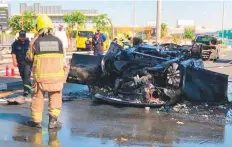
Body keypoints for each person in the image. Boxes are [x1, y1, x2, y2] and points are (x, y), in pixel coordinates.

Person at [26, 15, 66, 129]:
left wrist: (33, 40)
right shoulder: (59, 41)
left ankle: (36, 121)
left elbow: (29, 57)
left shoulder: (36, 42)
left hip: (40, 78)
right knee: (55, 98)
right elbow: (63, 58)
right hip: (57, 77)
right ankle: (53, 121)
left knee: (37, 99)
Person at [11, 30, 32, 97]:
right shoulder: (15, 43)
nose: (22, 38)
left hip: (28, 62)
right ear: (19, 36)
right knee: (23, 76)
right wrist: (14, 61)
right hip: (20, 63)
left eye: (23, 36)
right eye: (21, 36)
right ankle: (29, 86)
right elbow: (13, 53)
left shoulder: (29, 43)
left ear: (25, 36)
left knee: (26, 75)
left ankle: (26, 90)